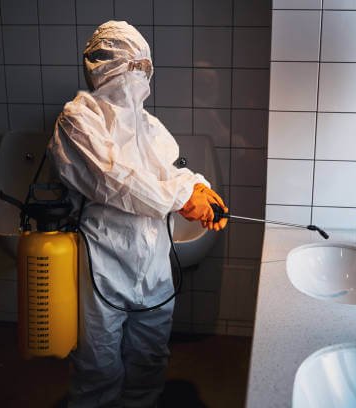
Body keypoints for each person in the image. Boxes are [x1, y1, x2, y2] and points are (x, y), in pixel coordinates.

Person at [47, 20, 228, 407]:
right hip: (104, 261)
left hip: (153, 262)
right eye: (133, 67)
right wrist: (181, 197)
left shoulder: (150, 126)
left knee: (150, 355)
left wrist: (198, 186)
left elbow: (172, 168)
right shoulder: (78, 120)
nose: (139, 77)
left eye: (143, 68)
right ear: (104, 67)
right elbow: (115, 180)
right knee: (98, 361)